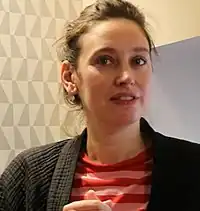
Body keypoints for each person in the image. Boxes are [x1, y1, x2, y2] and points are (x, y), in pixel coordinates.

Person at [1, 0, 200, 210]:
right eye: (105, 60)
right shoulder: (28, 176)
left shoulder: (194, 168)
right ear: (70, 77)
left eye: (138, 61)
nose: (126, 77)